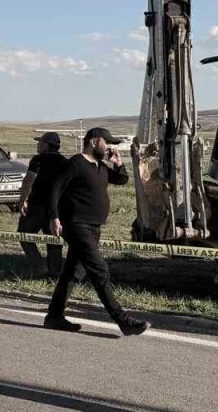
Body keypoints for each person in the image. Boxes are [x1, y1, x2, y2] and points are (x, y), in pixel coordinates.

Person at [46, 127, 149, 336]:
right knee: (99, 271)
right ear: (94, 142)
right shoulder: (76, 163)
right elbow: (54, 188)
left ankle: (54, 317)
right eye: (106, 142)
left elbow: (122, 180)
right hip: (77, 225)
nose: (109, 146)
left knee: (72, 273)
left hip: (94, 227)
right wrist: (54, 217)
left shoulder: (100, 167)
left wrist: (118, 163)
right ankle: (123, 320)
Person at [16, 132, 71, 278]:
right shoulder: (65, 162)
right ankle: (55, 272)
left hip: (37, 206)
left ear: (46, 145)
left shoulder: (38, 160)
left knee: (24, 234)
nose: (38, 144)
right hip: (57, 209)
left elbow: (28, 180)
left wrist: (22, 200)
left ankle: (38, 265)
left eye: (40, 142)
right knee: (54, 240)